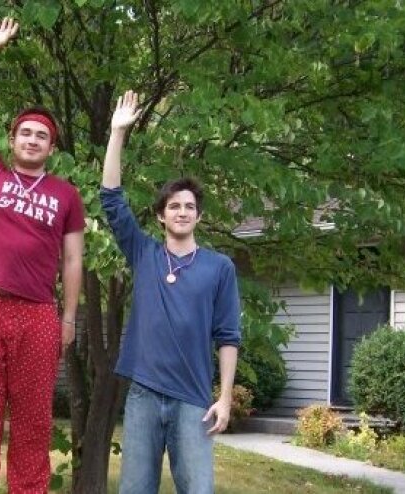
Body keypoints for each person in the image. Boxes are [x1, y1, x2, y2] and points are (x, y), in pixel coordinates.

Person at [0, 18, 86, 494]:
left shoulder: (66, 194)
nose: (32, 140)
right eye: (25, 133)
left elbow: (73, 261)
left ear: (51, 148)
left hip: (38, 315)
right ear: (12, 141)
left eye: (41, 136)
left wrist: (68, 319)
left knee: (32, 420)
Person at [100, 91, 241, 493]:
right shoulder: (144, 253)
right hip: (143, 395)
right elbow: (112, 199)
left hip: (194, 400)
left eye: (190, 206)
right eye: (174, 206)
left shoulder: (220, 268)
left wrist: (225, 398)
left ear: (198, 215)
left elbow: (228, 337)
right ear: (161, 216)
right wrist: (116, 132)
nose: (182, 211)